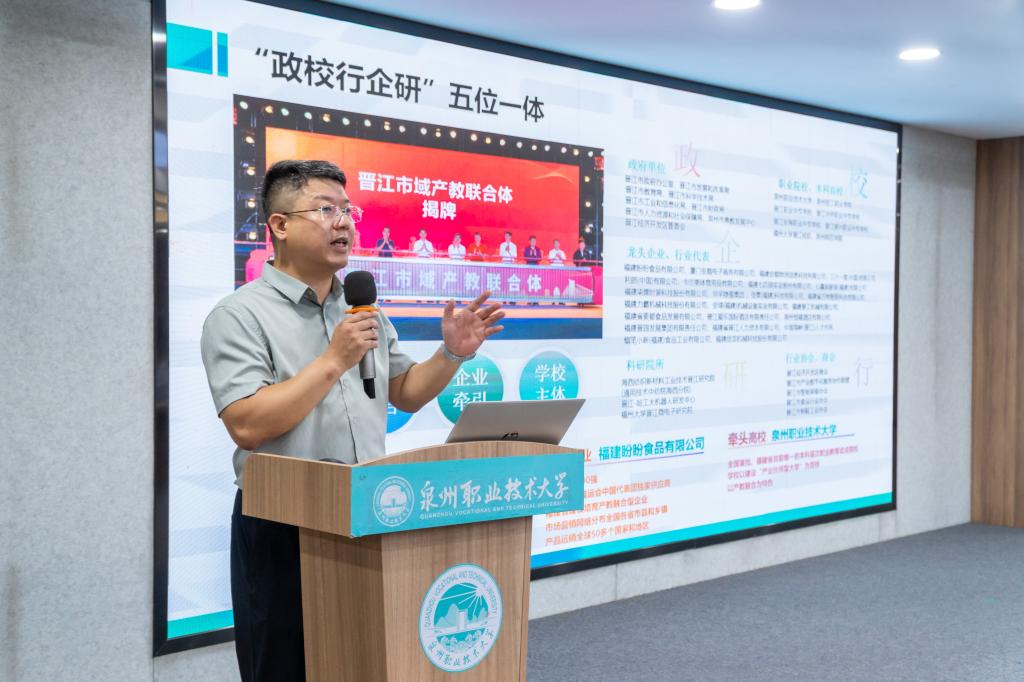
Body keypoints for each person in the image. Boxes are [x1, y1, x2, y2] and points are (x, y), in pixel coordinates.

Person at [200, 160, 505, 682]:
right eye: (325, 210)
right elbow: (247, 424)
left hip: (365, 511)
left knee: (360, 659)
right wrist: (333, 360)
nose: (343, 222)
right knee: (284, 665)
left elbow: (405, 392)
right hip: (282, 522)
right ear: (279, 225)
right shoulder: (239, 316)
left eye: (348, 210)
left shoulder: (363, 310)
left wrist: (452, 354)